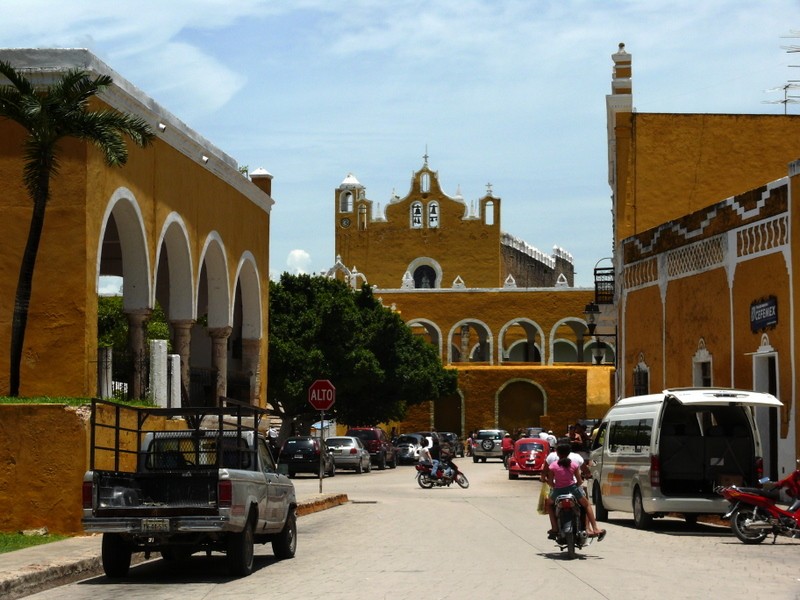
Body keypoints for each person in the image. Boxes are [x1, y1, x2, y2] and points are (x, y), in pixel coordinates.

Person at [545, 442, 606, 541]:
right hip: (573, 490)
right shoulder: (574, 464)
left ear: (557, 453)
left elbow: (551, 482)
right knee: (586, 505)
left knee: (548, 504)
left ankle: (555, 528)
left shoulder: (552, 466)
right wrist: (575, 487)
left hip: (558, 491)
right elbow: (579, 481)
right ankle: (595, 528)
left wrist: (554, 486)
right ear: (569, 453)